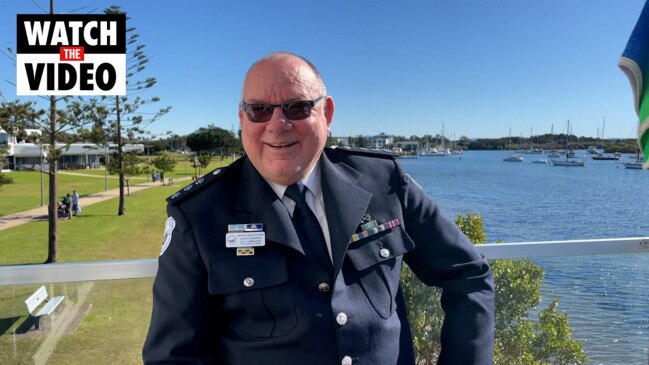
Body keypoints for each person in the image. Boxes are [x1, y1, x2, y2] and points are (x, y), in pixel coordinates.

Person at [143, 52, 495, 364]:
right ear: (242, 117)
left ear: (326, 113)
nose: (277, 125)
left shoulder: (384, 182)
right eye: (259, 109)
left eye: (297, 107)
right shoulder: (200, 214)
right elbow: (174, 355)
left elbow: (468, 275)